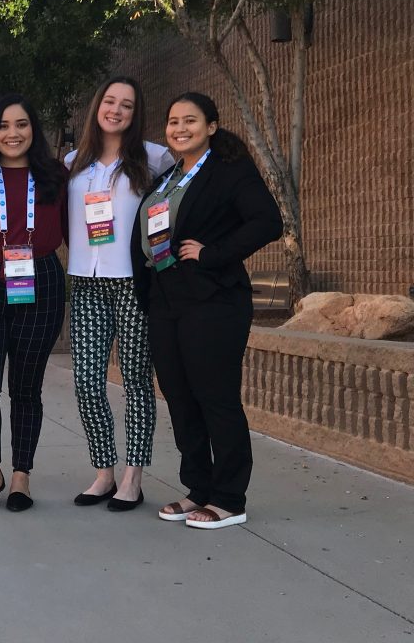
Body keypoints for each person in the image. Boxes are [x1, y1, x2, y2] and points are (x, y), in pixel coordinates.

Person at [131, 91, 282, 529]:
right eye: (173, 121)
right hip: (166, 302)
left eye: (190, 120)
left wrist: (214, 253)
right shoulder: (170, 176)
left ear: (212, 126)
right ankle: (198, 488)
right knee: (180, 398)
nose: (180, 128)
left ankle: (229, 497)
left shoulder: (227, 170)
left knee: (215, 398)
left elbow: (267, 221)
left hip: (212, 301)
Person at [65, 77, 175, 512]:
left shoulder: (154, 158)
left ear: (135, 113)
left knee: (135, 382)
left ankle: (133, 476)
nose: (116, 110)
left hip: (132, 281)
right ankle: (103, 472)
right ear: (97, 107)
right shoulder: (75, 161)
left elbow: (178, 205)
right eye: (109, 101)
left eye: (126, 105)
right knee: (87, 381)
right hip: (86, 281)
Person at [0, 94, 68, 512]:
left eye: (21, 124)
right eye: (4, 126)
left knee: (26, 387)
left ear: (33, 130)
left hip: (40, 277)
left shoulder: (56, 175)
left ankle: (21, 475)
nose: (13, 133)